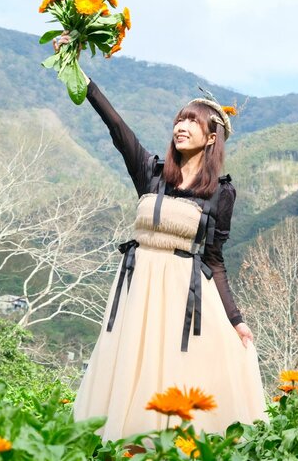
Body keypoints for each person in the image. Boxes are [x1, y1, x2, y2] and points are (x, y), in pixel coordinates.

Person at [62, 38, 266, 440]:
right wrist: (78, 75)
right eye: (179, 119)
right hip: (138, 290)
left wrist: (236, 319)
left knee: (175, 378)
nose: (181, 126)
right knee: (130, 372)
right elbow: (117, 127)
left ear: (212, 138)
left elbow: (215, 259)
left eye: (193, 122)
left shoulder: (219, 193)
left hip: (182, 296)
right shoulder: (151, 173)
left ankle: (172, 460)